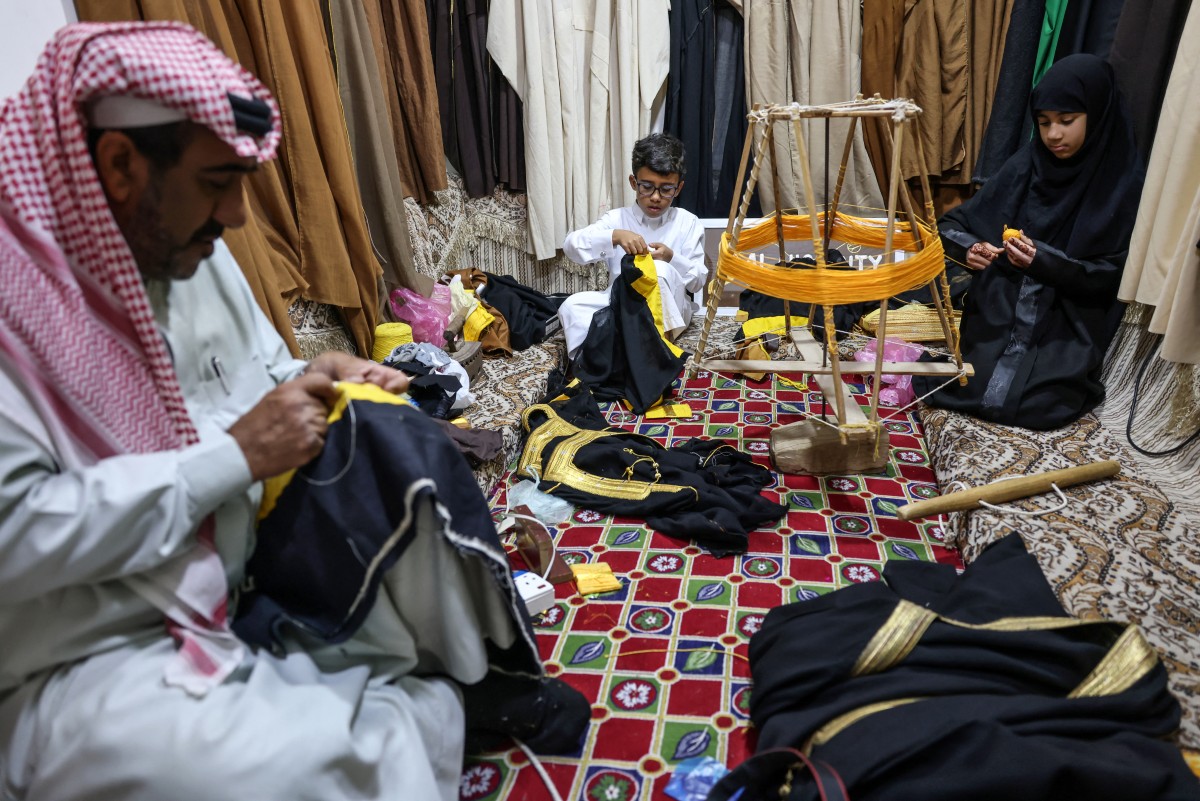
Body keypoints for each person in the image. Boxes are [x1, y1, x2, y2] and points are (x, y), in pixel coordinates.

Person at [0, 22, 585, 801]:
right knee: (281, 765)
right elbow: (19, 539)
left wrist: (321, 375)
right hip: (96, 643)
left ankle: (457, 684)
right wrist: (234, 456)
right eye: (216, 182)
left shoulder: (185, 250)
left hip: (243, 564)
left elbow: (258, 375)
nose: (238, 216)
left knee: (399, 456)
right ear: (118, 165)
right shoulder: (18, 310)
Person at [915, 54, 1145, 430]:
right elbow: (952, 225)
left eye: (1067, 121)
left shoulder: (1121, 185)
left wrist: (1045, 261)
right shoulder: (1028, 164)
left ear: (1097, 114)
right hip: (998, 318)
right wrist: (971, 248)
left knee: (1039, 404)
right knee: (966, 386)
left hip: (1064, 328)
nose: (1053, 135)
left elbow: (1112, 274)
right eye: (1044, 122)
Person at [558, 132, 707, 357]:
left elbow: (697, 281)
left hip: (673, 310)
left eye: (666, 189)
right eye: (647, 187)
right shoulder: (616, 219)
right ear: (633, 182)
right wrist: (614, 236)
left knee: (658, 270)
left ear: (678, 188)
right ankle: (588, 365)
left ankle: (657, 353)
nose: (655, 197)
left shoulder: (688, 222)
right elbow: (571, 246)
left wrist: (671, 258)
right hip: (620, 305)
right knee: (572, 306)